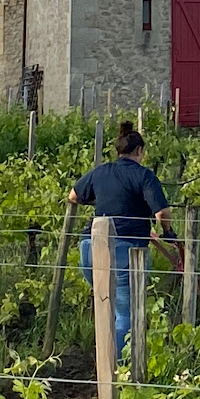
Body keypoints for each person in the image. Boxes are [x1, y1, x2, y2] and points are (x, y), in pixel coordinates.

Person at [68, 121, 175, 355]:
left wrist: (104, 200)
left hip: (89, 248)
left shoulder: (101, 171)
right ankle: (117, 367)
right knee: (126, 313)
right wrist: (168, 232)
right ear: (139, 151)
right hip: (124, 251)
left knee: (106, 306)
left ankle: (103, 359)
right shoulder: (144, 175)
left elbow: (74, 196)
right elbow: (162, 213)